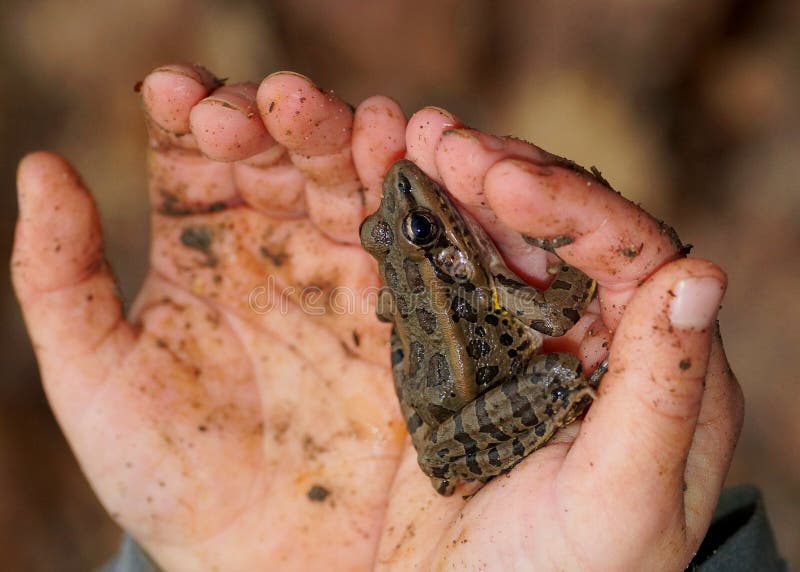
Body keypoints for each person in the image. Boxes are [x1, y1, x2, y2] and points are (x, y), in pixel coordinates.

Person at [11, 64, 784, 571]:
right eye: (412, 232)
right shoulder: (477, 287)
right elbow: (560, 305)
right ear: (435, 255)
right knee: (556, 372)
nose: (415, 208)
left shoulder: (465, 281)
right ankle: (559, 399)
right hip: (455, 417)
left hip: (437, 428)